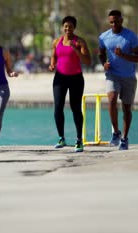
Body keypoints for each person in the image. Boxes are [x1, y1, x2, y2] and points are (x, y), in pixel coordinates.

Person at [98, 10, 138, 150]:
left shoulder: (131, 37)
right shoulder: (104, 37)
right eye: (111, 22)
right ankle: (116, 133)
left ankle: (124, 138)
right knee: (111, 100)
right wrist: (103, 64)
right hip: (112, 75)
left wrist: (123, 55)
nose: (114, 24)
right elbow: (100, 53)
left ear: (121, 20)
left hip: (128, 77)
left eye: (116, 21)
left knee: (126, 108)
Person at [49, 16, 91, 152]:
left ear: (74, 28)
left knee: (75, 108)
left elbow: (87, 61)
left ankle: (79, 140)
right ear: (62, 27)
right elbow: (54, 55)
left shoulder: (79, 41)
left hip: (76, 79)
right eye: (66, 26)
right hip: (60, 78)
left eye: (71, 26)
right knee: (58, 108)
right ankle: (61, 137)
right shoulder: (57, 41)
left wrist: (76, 50)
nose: (68, 29)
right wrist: (52, 64)